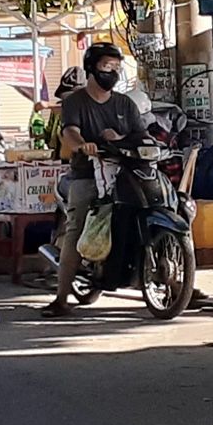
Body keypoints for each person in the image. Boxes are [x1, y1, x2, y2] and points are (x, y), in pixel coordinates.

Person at [44, 42, 145, 316]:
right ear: (91, 68)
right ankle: (61, 298)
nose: (111, 72)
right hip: (85, 175)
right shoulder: (75, 102)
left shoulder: (125, 103)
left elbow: (142, 136)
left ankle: (174, 282)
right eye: (105, 66)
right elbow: (70, 132)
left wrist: (124, 140)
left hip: (126, 174)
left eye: (115, 67)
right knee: (76, 229)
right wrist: (83, 145)